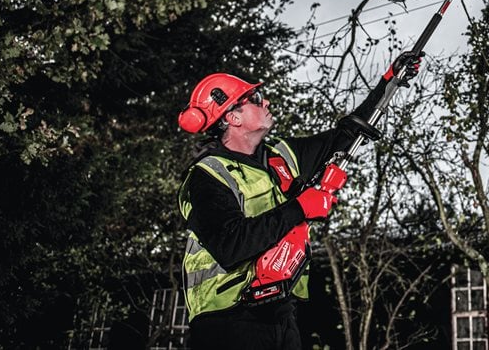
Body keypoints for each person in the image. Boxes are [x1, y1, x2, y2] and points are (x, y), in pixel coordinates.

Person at [175, 51, 422, 350]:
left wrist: (389, 82)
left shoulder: (280, 156)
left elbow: (344, 136)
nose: (265, 101)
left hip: (280, 312)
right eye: (255, 98)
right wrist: (301, 207)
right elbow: (231, 245)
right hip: (225, 319)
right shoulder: (207, 176)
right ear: (232, 117)